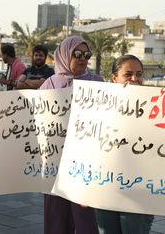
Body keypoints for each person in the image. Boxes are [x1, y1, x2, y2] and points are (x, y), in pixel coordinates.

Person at [40, 36, 102, 234]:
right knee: (56, 217)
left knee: (87, 219)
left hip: (87, 162)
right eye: (77, 54)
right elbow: (31, 121)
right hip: (56, 162)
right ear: (65, 54)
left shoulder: (98, 82)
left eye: (86, 54)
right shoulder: (50, 84)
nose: (82, 58)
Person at [95, 54, 154, 234]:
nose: (135, 79)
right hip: (105, 187)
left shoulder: (157, 108)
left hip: (139, 189)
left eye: (139, 74)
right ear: (114, 78)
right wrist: (85, 189)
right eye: (128, 74)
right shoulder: (96, 107)